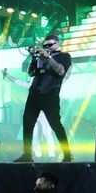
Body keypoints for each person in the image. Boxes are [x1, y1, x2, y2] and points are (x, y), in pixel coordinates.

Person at [15, 34, 74, 163]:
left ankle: (67, 154)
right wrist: (34, 57)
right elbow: (31, 73)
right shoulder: (40, 58)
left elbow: (60, 71)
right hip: (34, 94)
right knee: (28, 123)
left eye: (50, 44)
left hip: (50, 95)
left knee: (55, 124)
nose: (47, 47)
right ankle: (27, 154)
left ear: (57, 44)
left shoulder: (64, 56)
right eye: (45, 45)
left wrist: (48, 57)